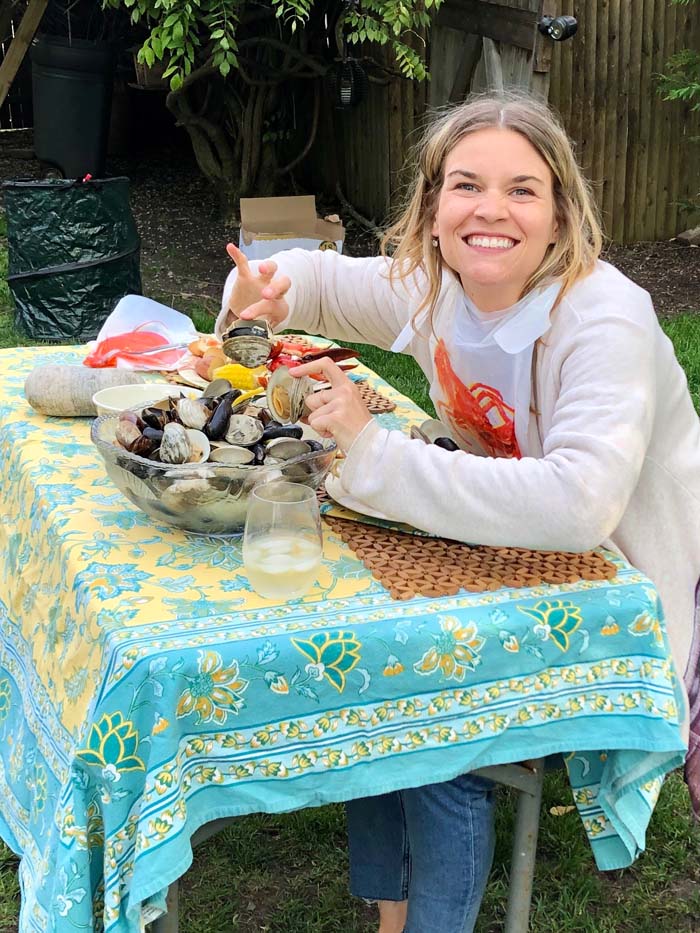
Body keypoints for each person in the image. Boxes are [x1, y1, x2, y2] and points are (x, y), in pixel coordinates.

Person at [216, 91, 700, 933]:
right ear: (434, 206)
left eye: (523, 189)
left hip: (621, 584)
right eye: (467, 185)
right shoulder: (433, 285)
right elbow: (320, 279)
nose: (491, 210)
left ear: (559, 215)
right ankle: (392, 912)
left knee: (445, 736)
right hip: (501, 546)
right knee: (376, 668)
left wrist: (374, 453)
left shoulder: (603, 316)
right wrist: (262, 286)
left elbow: (581, 502)